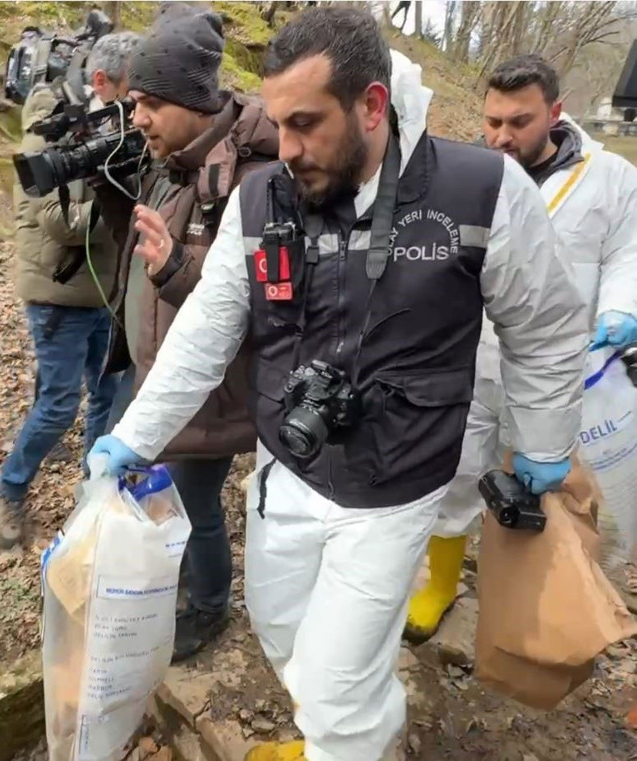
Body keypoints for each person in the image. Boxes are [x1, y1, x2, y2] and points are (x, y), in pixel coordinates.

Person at [91, 7, 590, 759]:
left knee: (334, 684)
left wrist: (546, 444)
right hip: (286, 473)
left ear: (372, 106)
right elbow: (206, 330)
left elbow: (545, 327)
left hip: (396, 488)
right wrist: (132, 435)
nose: (284, 148)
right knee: (285, 632)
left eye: (306, 124)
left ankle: (345, 737)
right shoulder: (263, 201)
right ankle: (352, 723)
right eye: (278, 124)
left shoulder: (481, 191)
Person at [407, 53, 637, 643]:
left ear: (555, 114)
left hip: (566, 367)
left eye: (519, 122)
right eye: (492, 122)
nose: (501, 136)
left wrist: (620, 309)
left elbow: (628, 255)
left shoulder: (611, 178)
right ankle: (440, 584)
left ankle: (541, 604)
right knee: (458, 473)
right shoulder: (472, 176)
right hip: (474, 356)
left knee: (547, 489)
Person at [91, 3, 279, 662]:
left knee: (195, 501)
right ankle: (192, 589)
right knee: (177, 495)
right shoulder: (181, 161)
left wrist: (173, 267)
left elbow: (253, 303)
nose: (135, 117)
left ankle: (208, 606)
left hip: (215, 390)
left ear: (191, 99)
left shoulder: (252, 177)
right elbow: (139, 253)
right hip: (167, 378)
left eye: (147, 103)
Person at [0, 33, 139, 549]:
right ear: (102, 81)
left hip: (107, 290)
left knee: (108, 392)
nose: (139, 102)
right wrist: (118, 194)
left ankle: (93, 493)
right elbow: (55, 221)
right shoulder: (50, 131)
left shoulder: (124, 124)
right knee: (56, 405)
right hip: (58, 292)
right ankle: (8, 490)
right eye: (131, 87)